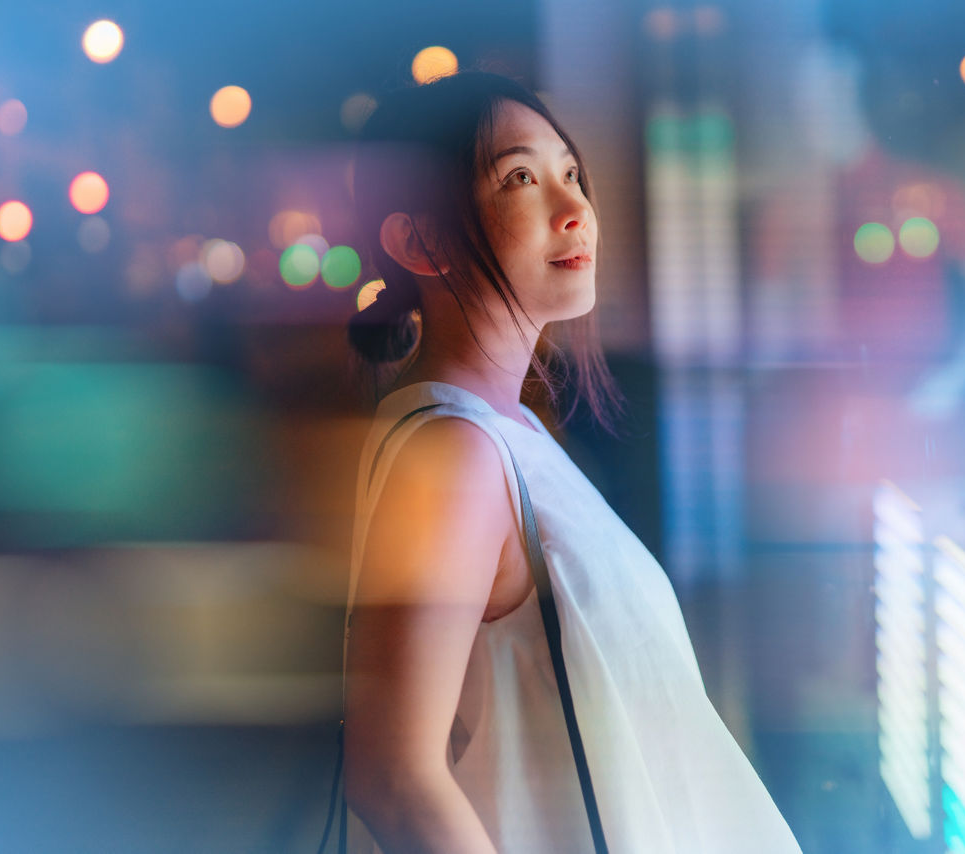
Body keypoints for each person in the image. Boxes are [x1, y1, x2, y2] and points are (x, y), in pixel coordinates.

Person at [340, 72, 802, 853]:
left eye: (571, 173)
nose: (576, 208)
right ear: (419, 241)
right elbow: (394, 777)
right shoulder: (455, 452)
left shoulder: (507, 431)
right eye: (521, 177)